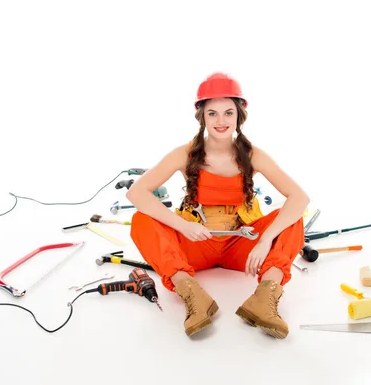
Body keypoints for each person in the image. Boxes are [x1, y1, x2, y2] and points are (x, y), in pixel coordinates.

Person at [127, 72, 309, 339]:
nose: (221, 121)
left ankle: (264, 300)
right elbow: (136, 193)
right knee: (141, 220)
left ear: (239, 115)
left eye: (228, 113)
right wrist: (182, 225)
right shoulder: (184, 154)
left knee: (293, 219)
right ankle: (193, 296)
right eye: (212, 113)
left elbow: (300, 198)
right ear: (202, 116)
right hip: (197, 242)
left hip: (241, 246)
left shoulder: (253, 155)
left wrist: (264, 240)